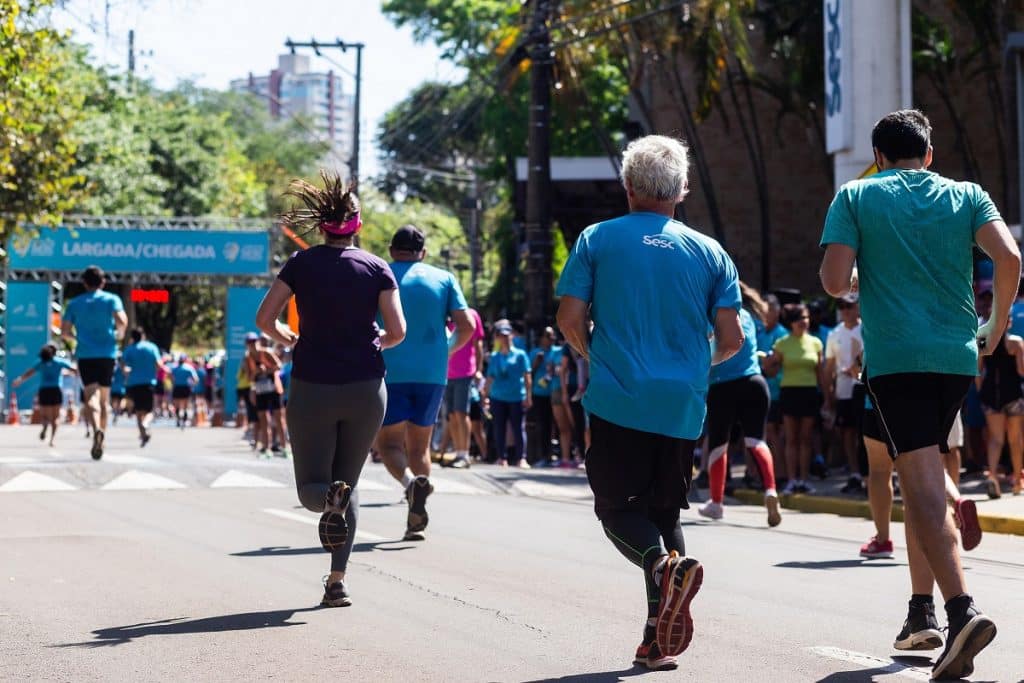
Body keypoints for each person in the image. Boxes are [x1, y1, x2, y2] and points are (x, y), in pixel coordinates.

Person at [819, 109, 1018, 679]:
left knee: (922, 488)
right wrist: (996, 328)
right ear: (929, 154)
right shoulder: (967, 194)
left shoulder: (855, 198)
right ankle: (921, 613)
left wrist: (860, 279)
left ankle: (962, 613)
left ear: (878, 157)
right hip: (958, 359)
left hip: (896, 360)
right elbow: (1010, 258)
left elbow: (835, 282)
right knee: (925, 475)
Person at [556, 135, 744, 671]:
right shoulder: (711, 252)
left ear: (629, 186)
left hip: (620, 398)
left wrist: (598, 352)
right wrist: (688, 370)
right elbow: (730, 340)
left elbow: (570, 319)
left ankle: (663, 571)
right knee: (664, 511)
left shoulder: (597, 239)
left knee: (618, 510)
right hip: (683, 403)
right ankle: (655, 641)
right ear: (682, 189)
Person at [256, 172, 406, 607]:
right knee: (349, 482)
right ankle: (336, 580)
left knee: (313, 491)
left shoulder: (301, 264)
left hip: (313, 385)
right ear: (357, 223)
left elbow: (265, 319)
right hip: (366, 388)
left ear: (322, 225)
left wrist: (288, 338)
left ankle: (330, 499)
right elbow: (398, 330)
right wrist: (375, 339)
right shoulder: (377, 267)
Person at [375, 225, 474, 541]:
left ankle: (408, 485)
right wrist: (444, 351)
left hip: (390, 371)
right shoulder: (443, 277)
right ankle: (415, 510)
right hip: (432, 374)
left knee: (389, 444)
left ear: (392, 250)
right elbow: (467, 325)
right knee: (420, 447)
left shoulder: (380, 273)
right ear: (424, 253)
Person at [699, 282, 781, 527]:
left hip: (723, 386)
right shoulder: (747, 316)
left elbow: (706, 350)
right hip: (755, 382)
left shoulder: (712, 318)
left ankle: (716, 503)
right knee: (757, 441)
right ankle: (770, 490)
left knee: (718, 445)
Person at [61, 265, 127, 459]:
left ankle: (96, 428)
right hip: (107, 354)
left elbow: (65, 331)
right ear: (103, 282)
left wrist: (76, 339)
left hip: (86, 354)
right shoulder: (112, 299)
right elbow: (122, 321)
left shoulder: (74, 303)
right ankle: (102, 438)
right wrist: (118, 335)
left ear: (84, 282)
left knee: (91, 394)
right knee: (104, 399)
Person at [763, 303, 825, 494]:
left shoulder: (816, 343)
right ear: (791, 323)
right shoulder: (782, 343)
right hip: (789, 392)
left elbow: (820, 372)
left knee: (805, 439)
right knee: (791, 438)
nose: (803, 322)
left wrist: (827, 397)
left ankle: (803, 480)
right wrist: (767, 364)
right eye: (799, 319)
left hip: (809, 393)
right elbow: (772, 371)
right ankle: (791, 480)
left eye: (806, 318)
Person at [976, 318, 1024, 498]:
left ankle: (993, 476)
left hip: (990, 395)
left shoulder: (982, 340)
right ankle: (1018, 481)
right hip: (1012, 394)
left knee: (996, 440)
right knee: (1015, 439)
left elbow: (978, 370)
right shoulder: (1016, 342)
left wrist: (981, 391)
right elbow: (1021, 370)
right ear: (1009, 323)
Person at [824, 293, 865, 494]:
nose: (846, 310)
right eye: (842, 306)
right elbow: (828, 366)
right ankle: (855, 473)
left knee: (865, 433)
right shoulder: (834, 334)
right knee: (847, 433)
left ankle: (868, 472)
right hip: (844, 391)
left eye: (850, 305)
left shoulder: (867, 329)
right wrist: (827, 395)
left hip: (865, 389)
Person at [482, 320, 532, 467]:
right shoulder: (495, 357)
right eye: (500, 335)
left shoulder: (521, 355)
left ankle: (521, 457)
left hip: (517, 396)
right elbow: (490, 378)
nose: (503, 338)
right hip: (498, 397)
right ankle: (501, 457)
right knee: (499, 427)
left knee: (519, 427)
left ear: (511, 335)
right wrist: (485, 396)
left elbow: (527, 376)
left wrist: (529, 396)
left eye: (506, 334)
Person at [11, 344, 78, 447]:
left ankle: (45, 426)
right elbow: (74, 370)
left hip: (44, 391)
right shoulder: (59, 362)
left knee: (44, 415)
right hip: (56, 390)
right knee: (55, 417)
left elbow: (29, 373)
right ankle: (52, 439)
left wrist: (19, 380)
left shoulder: (41, 363)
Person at [444, 307, 485, 469]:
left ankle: (464, 454)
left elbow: (478, 343)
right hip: (446, 373)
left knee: (462, 412)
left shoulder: (471, 314)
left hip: (465, 371)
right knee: (452, 415)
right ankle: (458, 452)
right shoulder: (445, 314)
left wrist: (479, 369)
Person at [757, 294, 788, 484]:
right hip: (760, 390)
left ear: (777, 312)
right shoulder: (758, 333)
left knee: (775, 433)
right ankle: (759, 474)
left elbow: (777, 365)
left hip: (777, 390)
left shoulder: (782, 334)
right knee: (761, 434)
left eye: (768, 310)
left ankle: (781, 475)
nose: (765, 314)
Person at [246, 335, 288, 458]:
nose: (252, 344)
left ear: (258, 342)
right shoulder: (247, 358)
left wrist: (266, 370)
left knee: (279, 418)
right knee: (263, 419)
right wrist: (256, 372)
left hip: (274, 389)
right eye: (249, 342)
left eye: (254, 342)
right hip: (260, 391)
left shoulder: (266, 352)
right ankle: (266, 448)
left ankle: (285, 447)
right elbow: (249, 378)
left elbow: (279, 366)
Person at [123, 328, 164, 447]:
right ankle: (146, 424)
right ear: (143, 336)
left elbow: (124, 366)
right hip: (148, 383)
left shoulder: (129, 349)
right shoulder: (151, 347)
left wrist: (128, 373)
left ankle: (143, 434)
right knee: (149, 411)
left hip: (134, 383)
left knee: (138, 411)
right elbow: (158, 364)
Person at [529, 328, 557, 465]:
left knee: (556, 426)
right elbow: (529, 373)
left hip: (555, 393)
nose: (551, 338)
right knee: (542, 425)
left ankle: (558, 455)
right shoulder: (534, 353)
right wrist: (536, 363)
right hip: (540, 394)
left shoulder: (557, 351)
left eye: (553, 336)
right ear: (541, 338)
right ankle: (543, 456)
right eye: (548, 336)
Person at [170, 354, 199, 429]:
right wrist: (191, 385)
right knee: (185, 405)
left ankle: (178, 420)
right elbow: (196, 379)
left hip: (177, 387)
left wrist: (174, 382)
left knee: (177, 405)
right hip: (185, 388)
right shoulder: (189, 368)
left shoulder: (174, 368)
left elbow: (170, 377)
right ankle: (184, 420)